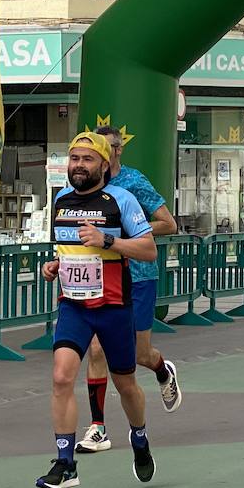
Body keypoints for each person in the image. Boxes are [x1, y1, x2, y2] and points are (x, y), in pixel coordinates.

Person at [38, 132, 159, 488]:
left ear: (104, 165)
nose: (78, 165)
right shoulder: (61, 199)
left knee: (126, 385)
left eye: (87, 159)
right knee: (61, 377)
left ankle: (139, 437)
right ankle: (65, 462)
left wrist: (108, 240)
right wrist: (55, 265)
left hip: (113, 307)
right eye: (74, 158)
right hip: (74, 306)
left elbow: (149, 249)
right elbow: (65, 250)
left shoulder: (120, 199)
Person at [75, 126, 182, 456]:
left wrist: (126, 233)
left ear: (116, 153)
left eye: (102, 151)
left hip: (137, 276)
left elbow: (169, 223)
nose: (95, 158)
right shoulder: (80, 186)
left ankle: (163, 369)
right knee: (95, 349)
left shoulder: (133, 183)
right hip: (100, 279)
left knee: (138, 354)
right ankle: (97, 428)